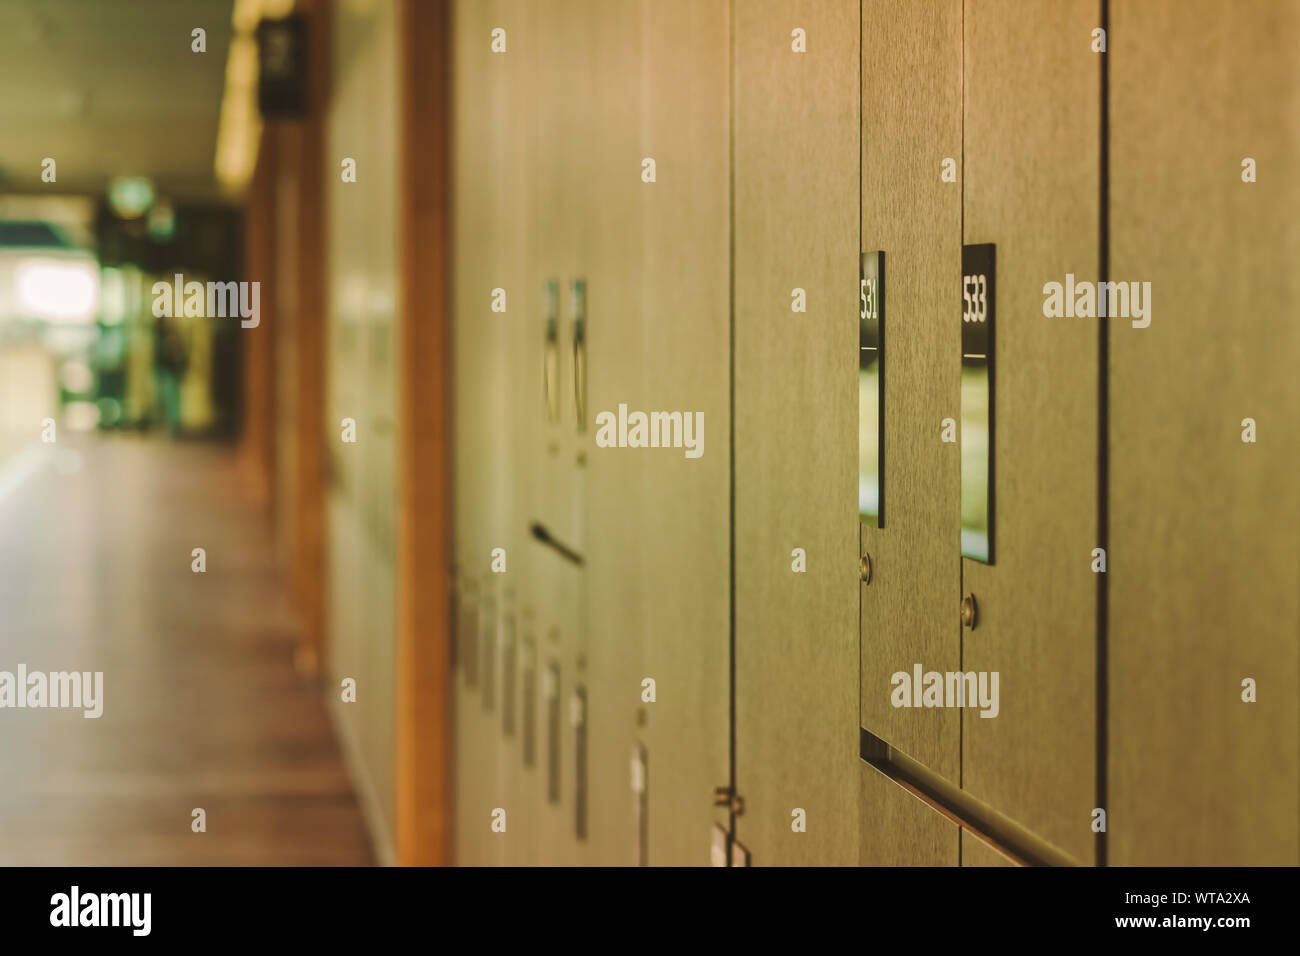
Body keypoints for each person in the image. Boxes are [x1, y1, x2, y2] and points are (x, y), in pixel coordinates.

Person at [152, 314, 188, 434]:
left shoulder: (166, 337)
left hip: (168, 371)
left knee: (169, 398)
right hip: (166, 370)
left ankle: (172, 425)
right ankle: (170, 424)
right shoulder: (161, 336)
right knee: (169, 398)